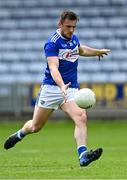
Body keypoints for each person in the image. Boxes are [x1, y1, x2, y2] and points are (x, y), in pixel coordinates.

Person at [4, 11, 110, 167]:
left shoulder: (73, 38)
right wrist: (61, 86)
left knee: (81, 117)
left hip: (70, 89)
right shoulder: (52, 43)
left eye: (74, 27)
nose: (71, 30)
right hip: (52, 89)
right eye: (68, 26)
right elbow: (53, 68)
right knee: (35, 127)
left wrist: (96, 52)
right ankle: (20, 134)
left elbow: (80, 50)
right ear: (60, 24)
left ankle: (83, 155)